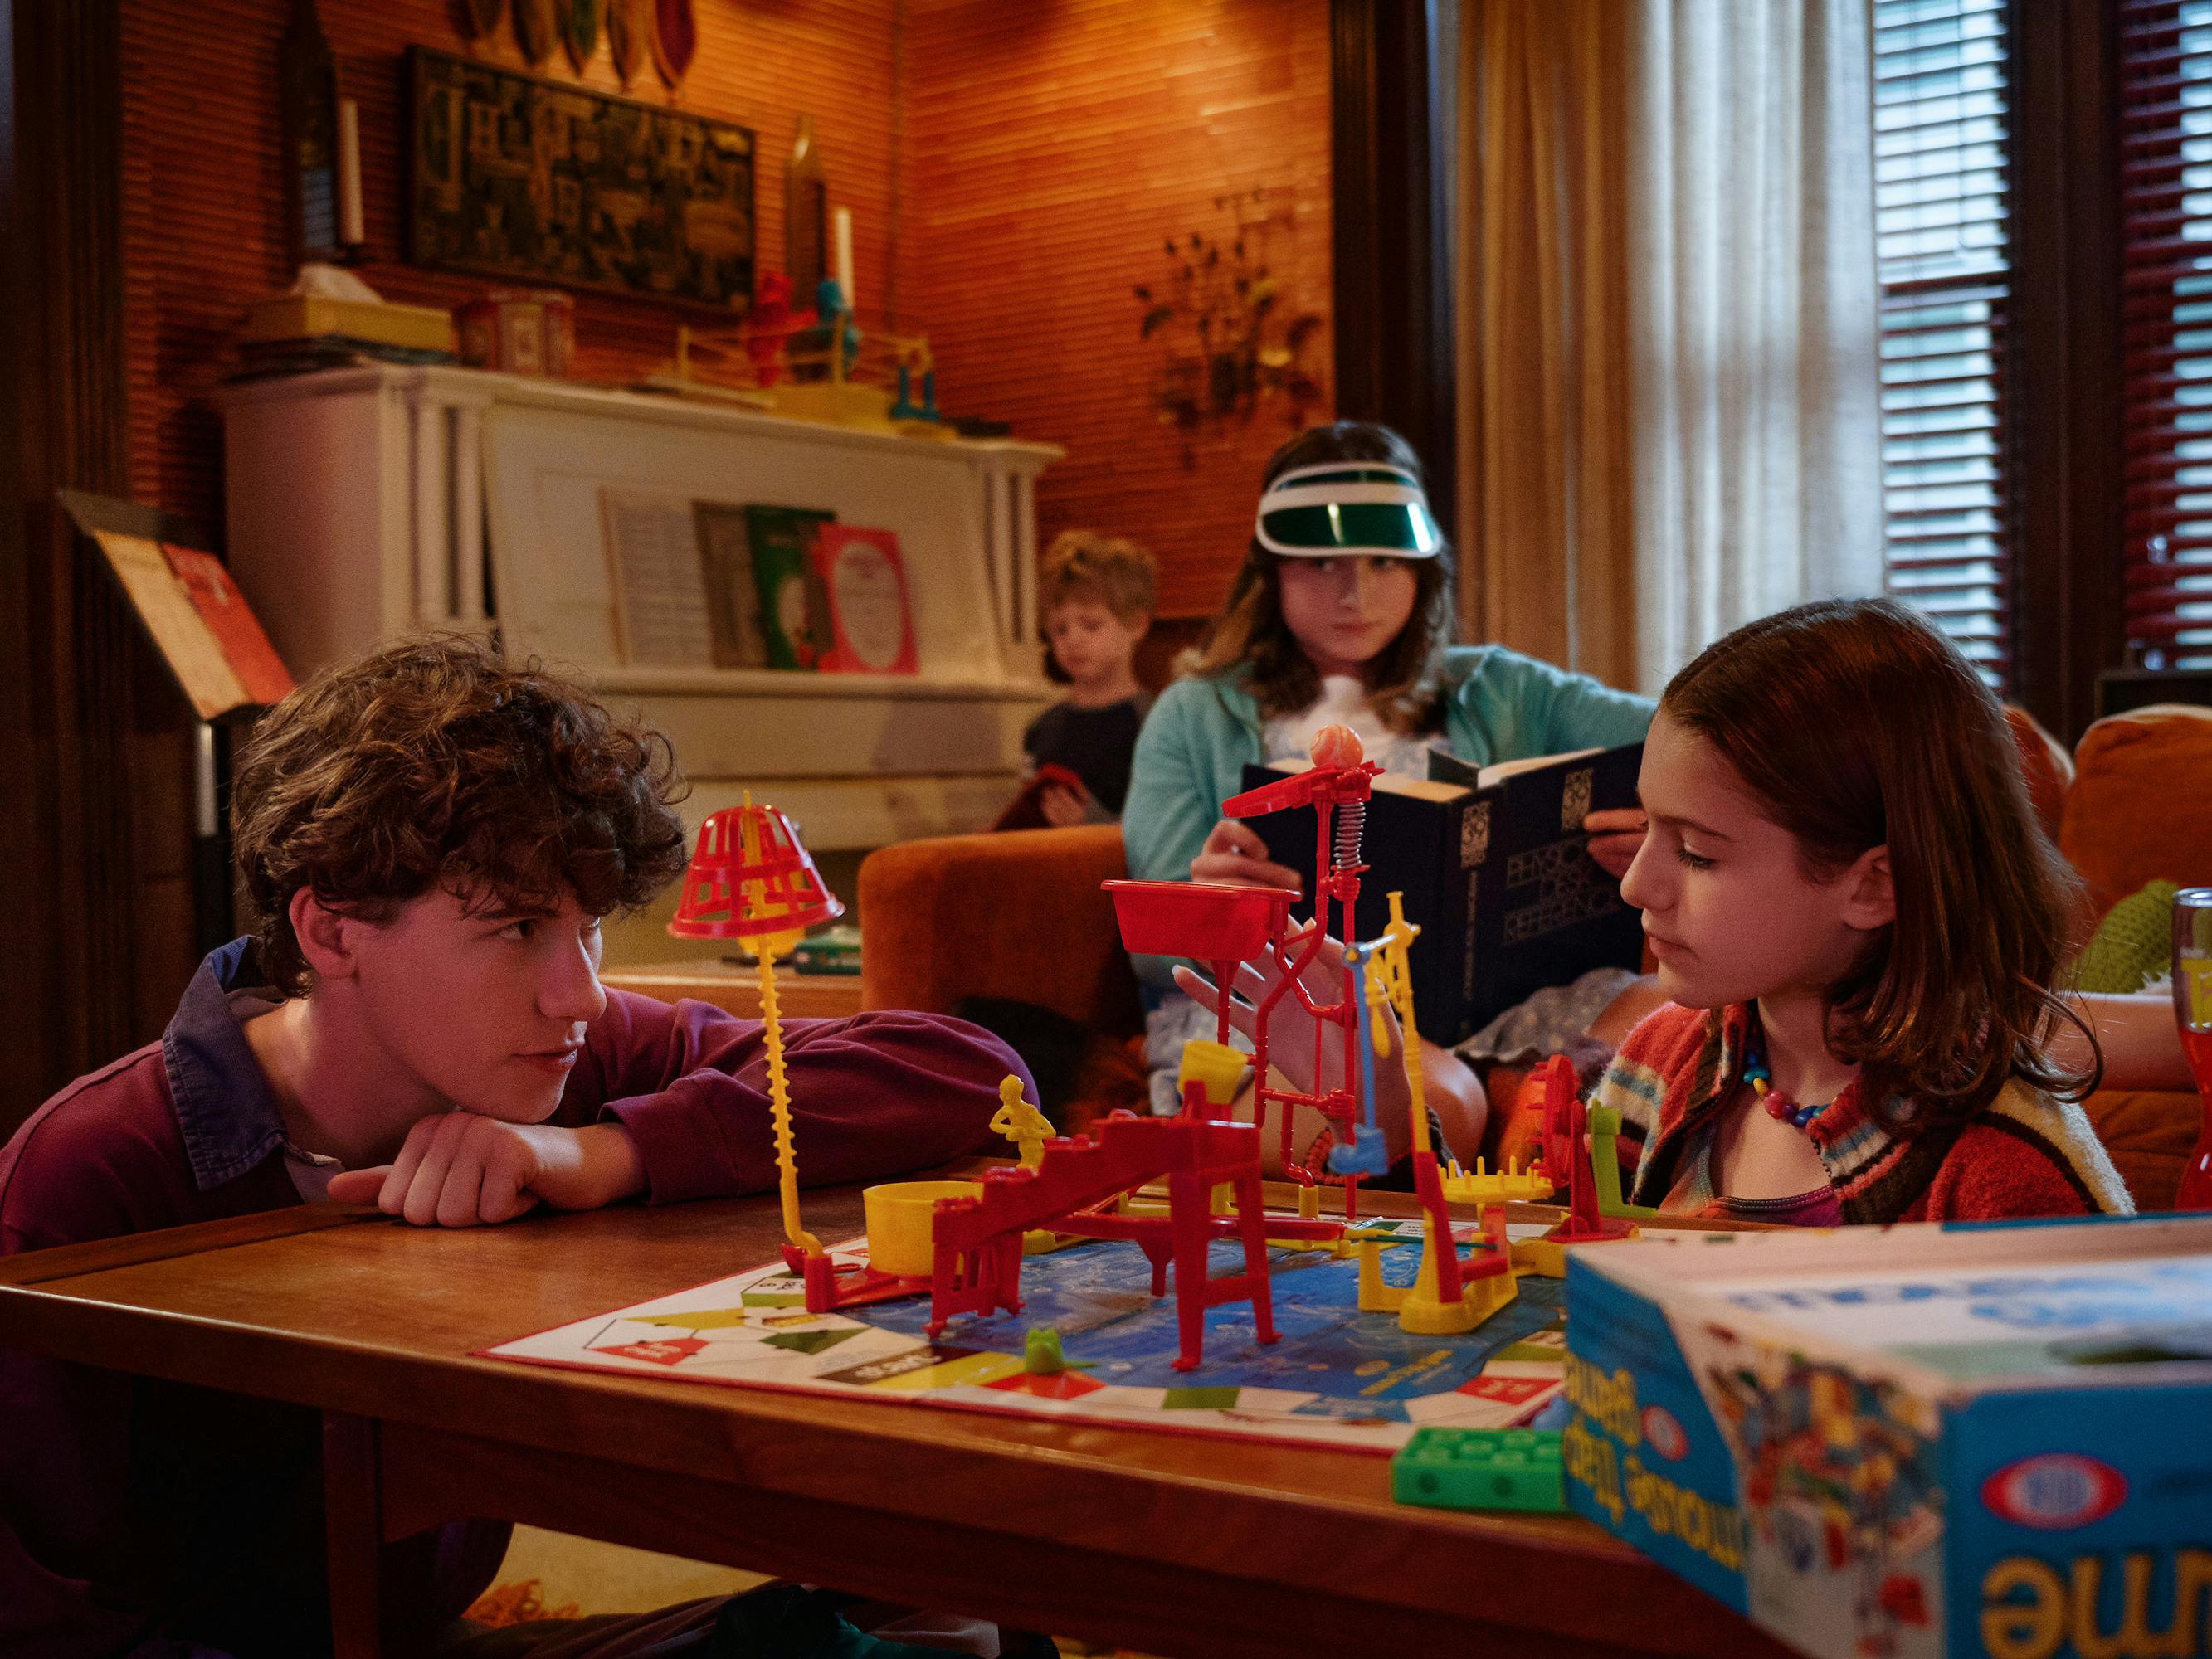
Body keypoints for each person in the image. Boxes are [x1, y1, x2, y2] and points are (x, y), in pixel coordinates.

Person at [0, 637, 1027, 1658]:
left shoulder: (562, 1057)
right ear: (334, 932)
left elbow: (967, 1072)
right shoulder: (90, 1169)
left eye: (589, 928)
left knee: (943, 1608)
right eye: (518, 926)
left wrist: (601, 1153)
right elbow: (43, 1624)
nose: (579, 989)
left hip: (413, 1632)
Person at [1122, 421, 1654, 1166]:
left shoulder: (1499, 687)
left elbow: (1695, 732)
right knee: (1416, 1100)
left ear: (1424, 568)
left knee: (1670, 1023)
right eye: (1322, 562)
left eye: (1384, 560)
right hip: (1291, 1016)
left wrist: (1673, 827)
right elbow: (1151, 937)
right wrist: (1206, 905)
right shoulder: (1197, 710)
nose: (1357, 592)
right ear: (1269, 573)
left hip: (1515, 1002)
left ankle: (1542, 1120)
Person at [1591, 598, 2132, 1223]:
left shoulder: (2010, 1174)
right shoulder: (1658, 1063)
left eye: (1695, 853)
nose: (1636, 885)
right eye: (1644, 825)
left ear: (1875, 887)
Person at [1021, 531, 1158, 826]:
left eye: (1091, 625)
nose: (1073, 640)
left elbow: (1158, 828)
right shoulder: (1041, 728)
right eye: (1060, 629)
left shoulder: (1153, 724)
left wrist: (1092, 822)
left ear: (1136, 624)